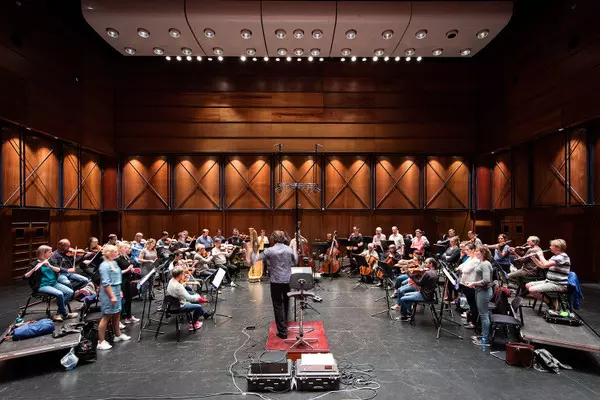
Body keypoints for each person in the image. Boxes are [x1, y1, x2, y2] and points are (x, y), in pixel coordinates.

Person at [246, 230, 297, 339]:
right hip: (288, 280)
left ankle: (282, 332)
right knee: (286, 302)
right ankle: (285, 323)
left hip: (276, 281)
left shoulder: (269, 250)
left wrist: (250, 250)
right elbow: (295, 262)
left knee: (277, 305)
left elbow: (254, 260)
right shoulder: (289, 249)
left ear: (273, 239)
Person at [24, 245, 78, 322]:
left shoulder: (51, 261)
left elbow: (59, 270)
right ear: (43, 253)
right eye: (50, 252)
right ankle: (64, 314)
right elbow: (25, 277)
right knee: (60, 294)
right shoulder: (34, 264)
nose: (52, 253)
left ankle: (59, 313)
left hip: (53, 283)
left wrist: (50, 266)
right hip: (42, 285)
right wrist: (33, 269)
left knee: (70, 292)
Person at [97, 245, 130, 350]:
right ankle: (101, 341)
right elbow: (106, 283)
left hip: (116, 289)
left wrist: (119, 291)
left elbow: (117, 277)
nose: (117, 253)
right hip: (108, 292)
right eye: (115, 251)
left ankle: (118, 335)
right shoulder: (104, 265)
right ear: (108, 253)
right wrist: (112, 296)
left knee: (117, 313)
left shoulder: (114, 262)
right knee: (107, 315)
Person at [527, 239, 571, 311]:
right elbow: (543, 266)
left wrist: (540, 255)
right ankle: (551, 301)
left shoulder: (563, 257)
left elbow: (546, 264)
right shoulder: (555, 257)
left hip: (558, 284)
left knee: (532, 290)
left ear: (558, 248)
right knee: (528, 285)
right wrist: (534, 258)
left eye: (551, 246)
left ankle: (550, 302)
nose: (550, 247)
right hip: (549, 281)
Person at [167, 266, 213, 331]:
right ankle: (194, 324)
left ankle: (202, 315)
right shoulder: (178, 286)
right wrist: (197, 296)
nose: (183, 275)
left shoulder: (171, 281)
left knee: (191, 302)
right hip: (179, 306)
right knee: (198, 306)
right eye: (183, 274)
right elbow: (190, 298)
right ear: (180, 275)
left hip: (172, 304)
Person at [467, 246, 494, 347]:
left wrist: (473, 283)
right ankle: (483, 335)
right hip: (480, 290)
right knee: (482, 314)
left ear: (482, 253)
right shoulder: (481, 263)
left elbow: (486, 280)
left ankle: (485, 339)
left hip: (484, 291)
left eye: (477, 251)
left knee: (484, 315)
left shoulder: (485, 264)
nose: (475, 252)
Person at [456, 243, 480, 329]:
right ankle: (471, 320)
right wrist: (459, 268)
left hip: (470, 284)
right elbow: (462, 266)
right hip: (465, 283)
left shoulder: (475, 260)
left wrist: (462, 268)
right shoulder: (470, 258)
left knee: (473, 304)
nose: (465, 251)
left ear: (473, 250)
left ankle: (474, 323)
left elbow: (466, 270)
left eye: (467, 250)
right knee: (470, 303)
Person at [115, 242, 140, 324]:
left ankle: (129, 317)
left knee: (129, 299)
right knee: (122, 300)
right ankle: (118, 320)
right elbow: (117, 272)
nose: (127, 249)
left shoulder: (126, 257)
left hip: (127, 280)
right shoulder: (117, 259)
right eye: (125, 248)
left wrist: (131, 270)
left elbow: (128, 267)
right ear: (120, 249)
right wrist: (127, 269)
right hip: (121, 281)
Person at [441, 236, 461, 303]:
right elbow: (442, 256)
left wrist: (447, 257)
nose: (450, 242)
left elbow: (451, 259)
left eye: (452, 241)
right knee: (449, 283)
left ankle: (456, 298)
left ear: (456, 242)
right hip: (448, 267)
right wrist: (447, 257)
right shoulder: (449, 248)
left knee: (454, 283)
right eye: (450, 241)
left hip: (453, 268)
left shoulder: (457, 249)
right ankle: (450, 297)